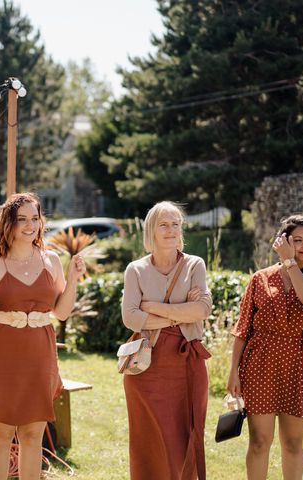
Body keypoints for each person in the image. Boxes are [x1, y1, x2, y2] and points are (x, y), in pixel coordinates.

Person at [0, 192, 85, 480]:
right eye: (23, 219)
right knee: (1, 434)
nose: (30, 225)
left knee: (33, 435)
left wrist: (71, 281)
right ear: (8, 223)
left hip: (39, 354)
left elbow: (62, 312)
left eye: (35, 218)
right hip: (2, 355)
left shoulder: (52, 260)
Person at [121, 201, 212, 480]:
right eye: (164, 224)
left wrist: (154, 307)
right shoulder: (135, 269)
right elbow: (131, 318)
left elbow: (203, 309)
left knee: (185, 434)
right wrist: (181, 313)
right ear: (152, 230)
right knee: (150, 438)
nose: (171, 230)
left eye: (175, 224)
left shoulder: (195, 264)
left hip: (188, 364)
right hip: (146, 367)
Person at [227, 214, 303, 480]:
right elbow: (243, 329)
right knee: (259, 442)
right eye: (297, 240)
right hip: (259, 366)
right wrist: (234, 371)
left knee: (292, 443)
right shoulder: (260, 278)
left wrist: (290, 262)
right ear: (283, 241)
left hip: (297, 366)